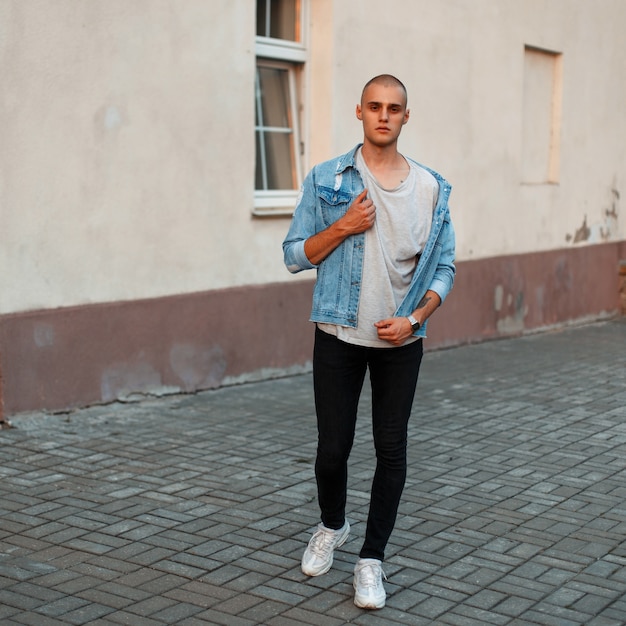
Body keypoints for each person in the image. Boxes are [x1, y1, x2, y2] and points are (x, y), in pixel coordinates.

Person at [282, 74, 456, 610]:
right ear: (358, 112)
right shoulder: (327, 178)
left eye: (394, 108)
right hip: (338, 332)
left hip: (400, 343)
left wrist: (417, 319)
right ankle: (332, 525)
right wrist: (343, 227)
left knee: (391, 448)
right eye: (374, 106)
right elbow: (293, 254)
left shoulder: (431, 188)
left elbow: (443, 269)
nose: (384, 115)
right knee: (332, 449)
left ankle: (371, 560)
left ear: (407, 117)